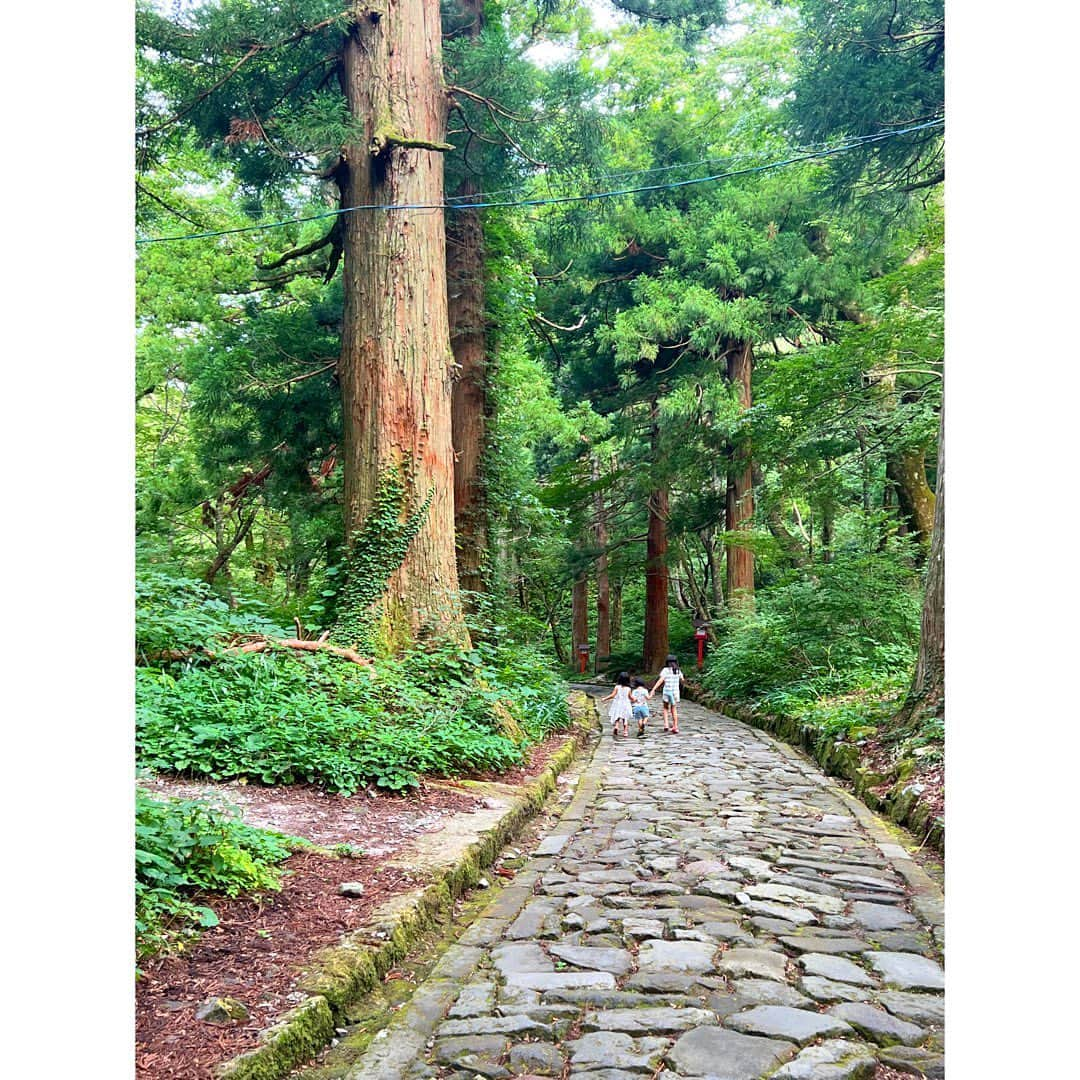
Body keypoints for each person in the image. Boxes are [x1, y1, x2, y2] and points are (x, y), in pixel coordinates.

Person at [651, 654, 684, 734]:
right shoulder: (678, 670)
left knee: (666, 708)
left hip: (667, 692)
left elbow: (661, 680)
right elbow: (682, 679)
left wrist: (653, 689)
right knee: (674, 709)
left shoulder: (665, 670)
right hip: (675, 692)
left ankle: (666, 725)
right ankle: (675, 726)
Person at [601, 671, 633, 737]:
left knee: (617, 716)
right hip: (626, 704)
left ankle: (616, 726)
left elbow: (612, 695)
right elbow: (630, 697)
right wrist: (635, 700)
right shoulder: (629, 688)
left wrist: (605, 698)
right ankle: (625, 732)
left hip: (618, 703)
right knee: (625, 718)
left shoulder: (617, 687)